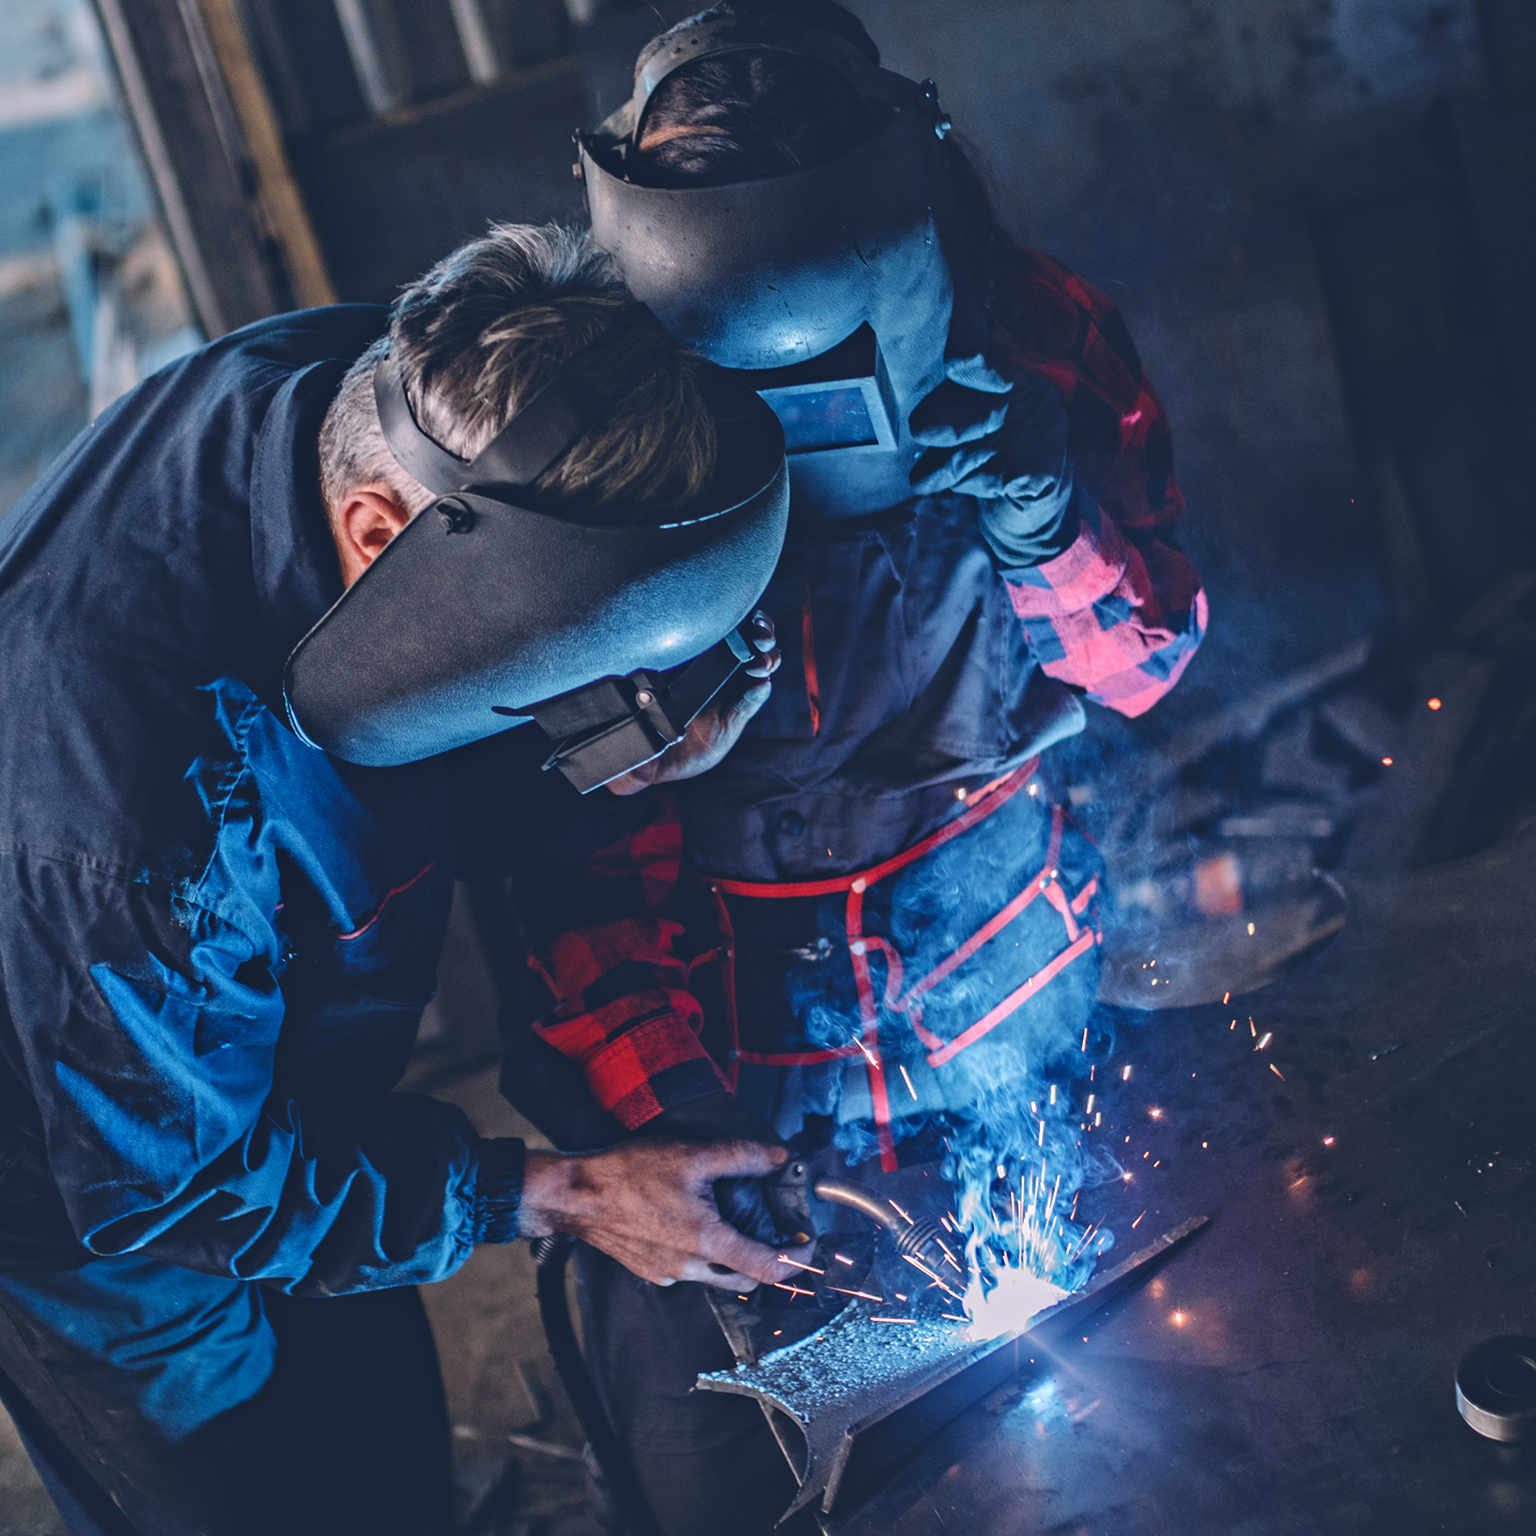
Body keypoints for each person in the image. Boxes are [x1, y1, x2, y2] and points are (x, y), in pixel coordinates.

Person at [495, 6, 1210, 1534]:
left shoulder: (1034, 340)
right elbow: (568, 856)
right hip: (736, 1137)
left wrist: (1049, 521)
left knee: (1101, 1477)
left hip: (1018, 1063)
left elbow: (1142, 669)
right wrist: (676, 1133)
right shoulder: (594, 424)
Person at [0, 222, 805, 1536]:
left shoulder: (388, 385)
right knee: (249, 1493)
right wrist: (560, 1194)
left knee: (379, 1454)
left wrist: (646, 690)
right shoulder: (142, 817)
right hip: (102, 1189)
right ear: (379, 535)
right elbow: (189, 1188)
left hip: (259, 1046)